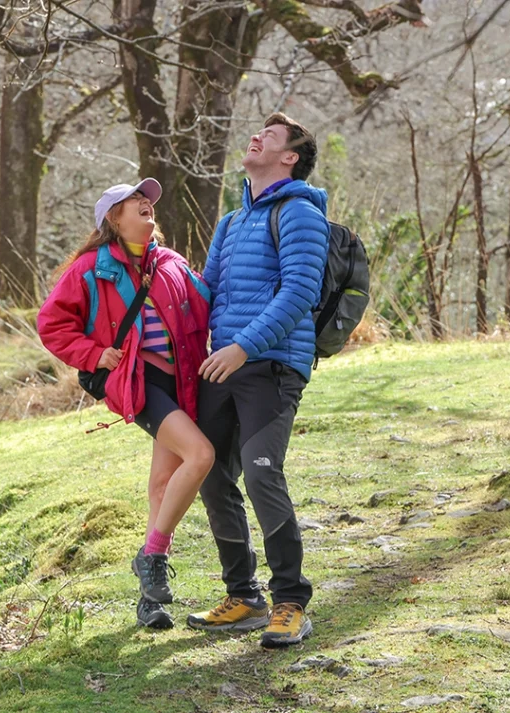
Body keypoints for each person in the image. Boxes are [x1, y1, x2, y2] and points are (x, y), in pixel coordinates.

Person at [38, 178, 215, 630]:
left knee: (161, 484)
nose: (145, 204)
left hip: (184, 381)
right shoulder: (90, 269)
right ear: (112, 219)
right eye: (133, 202)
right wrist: (95, 354)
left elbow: (208, 305)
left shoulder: (172, 263)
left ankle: (148, 603)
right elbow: (52, 325)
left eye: (148, 200)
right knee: (200, 455)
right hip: (141, 381)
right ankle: (152, 556)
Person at [187, 113, 329, 648]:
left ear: (289, 156)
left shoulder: (299, 214)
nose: (255, 137)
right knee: (207, 471)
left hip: (270, 366)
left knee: (262, 474)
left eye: (269, 136)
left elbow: (298, 295)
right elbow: (206, 293)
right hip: (221, 365)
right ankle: (244, 597)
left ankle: (290, 602)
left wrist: (243, 347)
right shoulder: (231, 221)